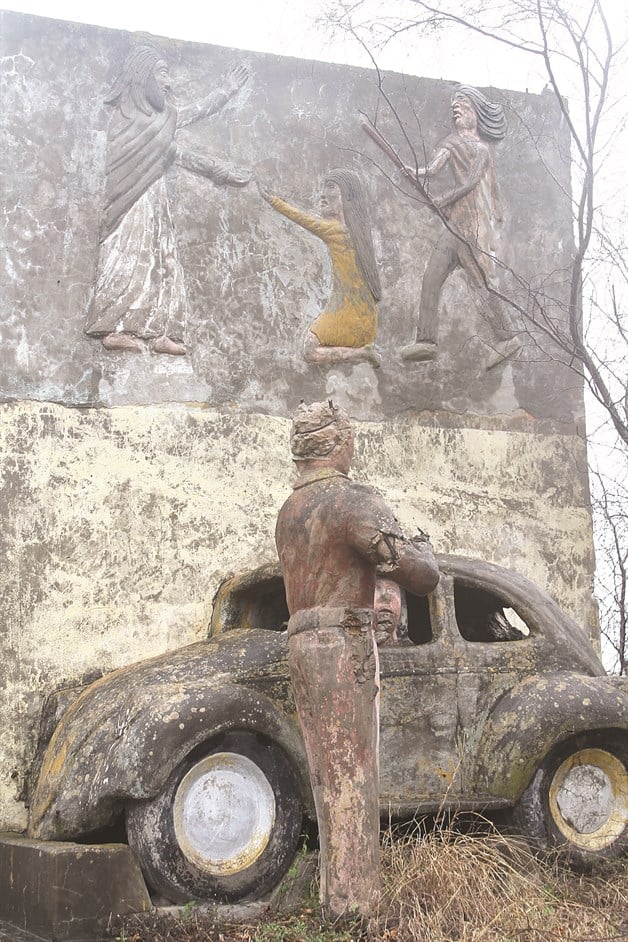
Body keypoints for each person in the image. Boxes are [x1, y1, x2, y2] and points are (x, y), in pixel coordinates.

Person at [275, 400, 438, 920]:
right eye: (351, 437)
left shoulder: (290, 510)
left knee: (326, 778)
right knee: (353, 775)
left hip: (301, 640)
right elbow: (419, 574)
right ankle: (356, 909)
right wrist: (424, 552)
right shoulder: (350, 501)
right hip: (343, 642)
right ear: (340, 444)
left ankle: (334, 900)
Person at [85, 45, 250, 356]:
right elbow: (162, 151)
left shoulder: (165, 117)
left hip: (155, 197)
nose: (169, 81)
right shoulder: (125, 121)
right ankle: (114, 327)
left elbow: (184, 126)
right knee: (131, 258)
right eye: (162, 73)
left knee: (165, 260)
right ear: (144, 76)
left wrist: (225, 93)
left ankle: (163, 331)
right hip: (130, 204)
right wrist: (212, 167)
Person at [400, 85, 521, 369]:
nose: (456, 108)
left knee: (480, 284)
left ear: (475, 112)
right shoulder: (451, 142)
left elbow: (470, 184)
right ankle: (426, 341)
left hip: (471, 227)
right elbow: (434, 168)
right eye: (455, 104)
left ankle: (507, 338)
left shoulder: (482, 150)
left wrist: (442, 199)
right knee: (431, 276)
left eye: (463, 104)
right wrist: (413, 171)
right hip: (454, 224)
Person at [258, 170, 382, 366]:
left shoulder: (336, 230)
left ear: (347, 196)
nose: (323, 194)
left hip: (348, 312)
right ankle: (363, 353)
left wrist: (274, 201)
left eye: (331, 188)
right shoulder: (359, 234)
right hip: (366, 317)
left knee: (310, 350)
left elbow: (303, 219)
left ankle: (362, 354)